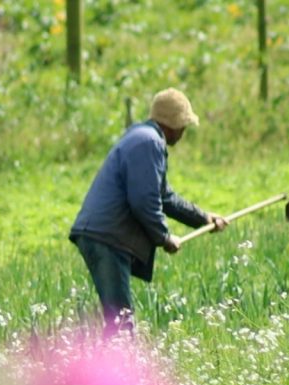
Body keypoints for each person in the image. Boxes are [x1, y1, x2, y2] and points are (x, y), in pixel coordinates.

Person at [69, 88, 228, 337]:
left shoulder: (144, 138)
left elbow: (165, 196)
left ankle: (110, 370)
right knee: (121, 323)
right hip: (106, 237)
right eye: (184, 125)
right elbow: (144, 201)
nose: (184, 132)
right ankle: (112, 372)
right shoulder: (148, 143)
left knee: (119, 319)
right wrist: (164, 237)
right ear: (172, 124)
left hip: (101, 235)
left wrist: (204, 218)